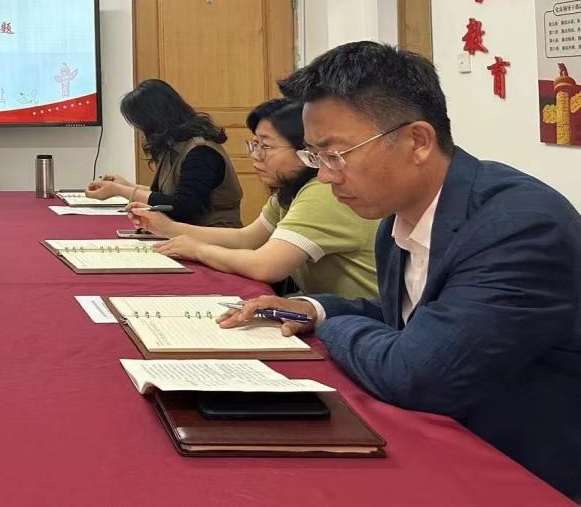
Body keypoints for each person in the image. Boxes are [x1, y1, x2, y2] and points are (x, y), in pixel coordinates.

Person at [218, 42, 581, 499]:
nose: (325, 176)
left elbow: (415, 372)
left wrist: (331, 327)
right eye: (314, 157)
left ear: (418, 141)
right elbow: (412, 321)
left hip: (520, 473)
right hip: (442, 442)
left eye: (336, 154)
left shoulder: (520, 226)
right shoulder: (398, 215)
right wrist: (312, 308)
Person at [129, 98, 377, 297]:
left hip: (364, 318)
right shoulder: (289, 190)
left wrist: (198, 250)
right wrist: (167, 227)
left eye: (266, 146)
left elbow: (265, 266)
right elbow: (247, 238)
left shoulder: (322, 193)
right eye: (254, 144)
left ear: (307, 149)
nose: (256, 156)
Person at [86, 79, 242, 227]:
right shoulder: (175, 145)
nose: (140, 132)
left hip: (214, 234)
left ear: (153, 121)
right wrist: (126, 186)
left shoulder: (201, 152)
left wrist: (120, 190)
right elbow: (166, 195)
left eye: (139, 125)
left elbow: (182, 207)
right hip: (188, 231)